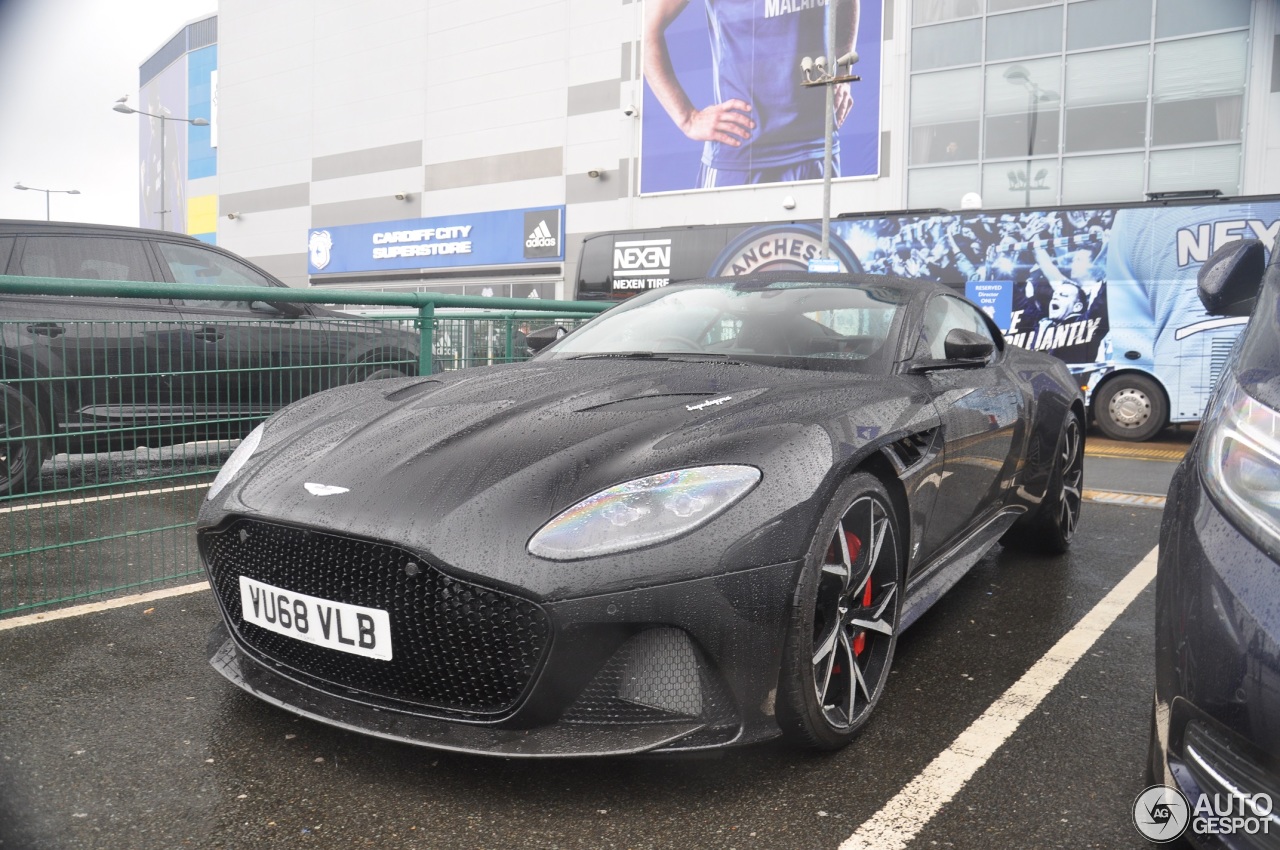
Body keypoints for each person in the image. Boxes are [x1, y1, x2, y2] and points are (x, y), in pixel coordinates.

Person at [643, 0, 860, 188]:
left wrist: (842, 73)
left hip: (815, 148)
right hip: (741, 154)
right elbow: (646, 32)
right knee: (725, 238)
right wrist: (688, 119)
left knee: (816, 237)